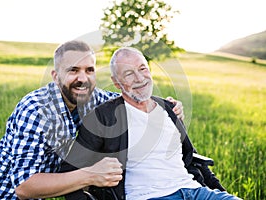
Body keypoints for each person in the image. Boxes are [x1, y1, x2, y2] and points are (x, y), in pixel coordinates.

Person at [0, 40, 184, 199]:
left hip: (59, 187)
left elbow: (132, 99)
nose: (83, 78)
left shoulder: (94, 99)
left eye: (89, 70)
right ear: (55, 76)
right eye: (73, 70)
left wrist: (169, 106)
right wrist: (91, 175)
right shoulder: (36, 110)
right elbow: (24, 187)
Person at [61, 47, 241, 200]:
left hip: (195, 191)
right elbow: (71, 169)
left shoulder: (169, 108)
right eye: (129, 73)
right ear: (117, 83)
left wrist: (221, 193)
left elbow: (193, 158)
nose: (140, 78)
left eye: (143, 69)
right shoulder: (103, 117)